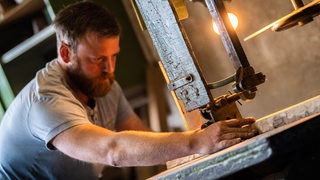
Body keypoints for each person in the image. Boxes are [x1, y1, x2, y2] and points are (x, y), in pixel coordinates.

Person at [0, 1, 257, 179]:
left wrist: (201, 147)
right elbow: (112, 150)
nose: (109, 68)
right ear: (66, 53)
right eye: (98, 59)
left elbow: (141, 137)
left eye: (114, 56)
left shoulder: (102, 84)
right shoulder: (46, 102)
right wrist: (195, 142)